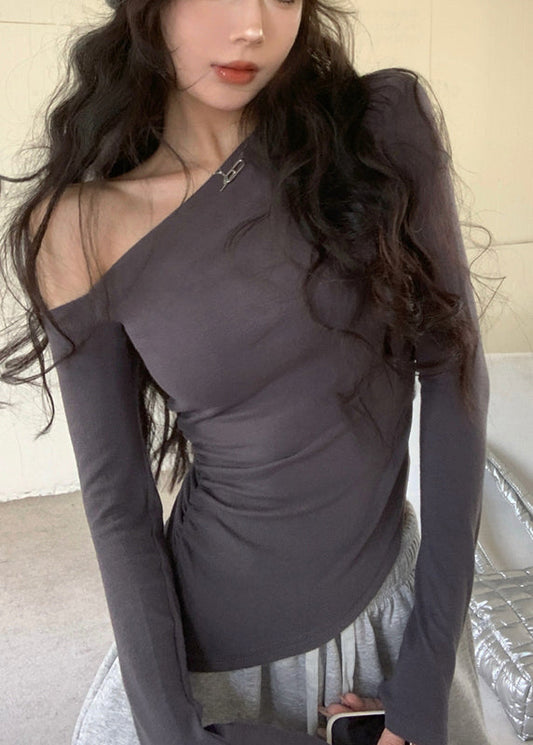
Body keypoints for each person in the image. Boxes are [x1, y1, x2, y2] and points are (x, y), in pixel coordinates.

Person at [0, 1, 493, 744]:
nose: (253, 27)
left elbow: (454, 372)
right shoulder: (79, 227)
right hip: (205, 658)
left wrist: (424, 687)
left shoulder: (379, 125)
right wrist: (176, 734)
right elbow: (118, 503)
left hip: (392, 619)